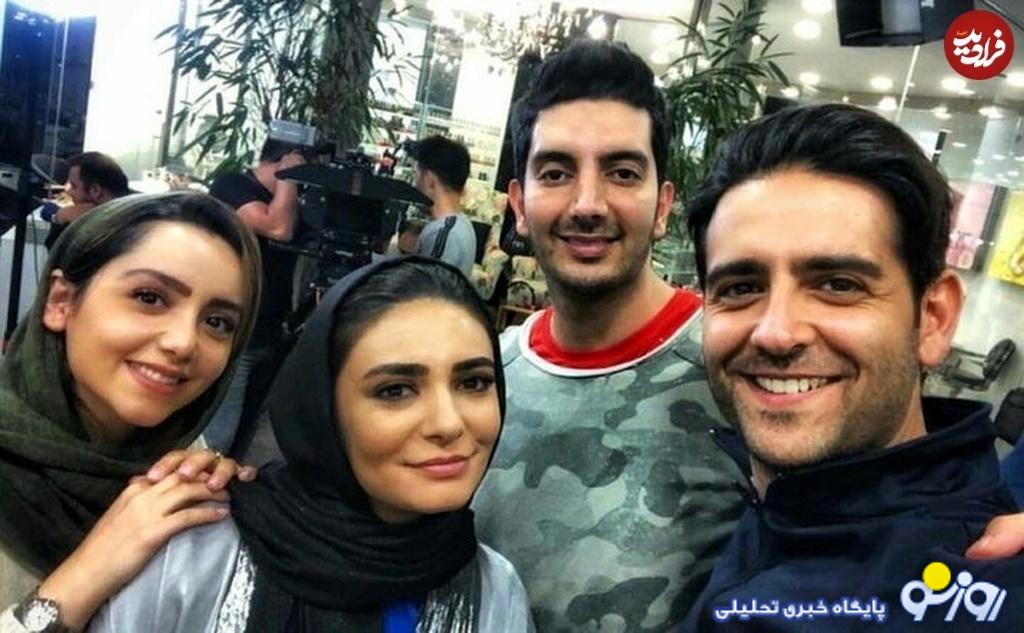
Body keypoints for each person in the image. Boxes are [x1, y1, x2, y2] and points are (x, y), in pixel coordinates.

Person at [682, 104, 1024, 631]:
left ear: (933, 319)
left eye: (838, 285)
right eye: (741, 287)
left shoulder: (985, 588)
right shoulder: (778, 507)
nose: (776, 332)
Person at [84, 257, 532, 632]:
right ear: (322, 409)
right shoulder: (193, 552)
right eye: (395, 390)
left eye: (474, 382)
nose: (448, 423)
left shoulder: (493, 590)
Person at [470, 40, 746, 631]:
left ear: (663, 205)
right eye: (556, 173)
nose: (588, 204)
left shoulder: (738, 371)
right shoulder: (480, 381)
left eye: (622, 173)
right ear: (519, 205)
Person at [0, 192, 262, 629]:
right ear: (61, 302)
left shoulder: (180, 466)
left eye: (217, 322)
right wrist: (88, 572)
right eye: (149, 297)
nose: (183, 342)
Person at [205, 139, 306, 454]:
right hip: (239, 333)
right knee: (217, 438)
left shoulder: (291, 203)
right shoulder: (232, 185)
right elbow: (277, 229)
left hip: (272, 335)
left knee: (247, 437)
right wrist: (290, 176)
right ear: (283, 160)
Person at [411, 135, 478, 276]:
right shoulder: (462, 223)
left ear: (429, 180)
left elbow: (425, 287)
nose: (414, 184)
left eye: (416, 175)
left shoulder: (444, 234)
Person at [44, 152, 130, 250]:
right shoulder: (133, 214)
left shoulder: (114, 237)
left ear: (95, 190)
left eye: (74, 186)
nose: (69, 192)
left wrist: (60, 218)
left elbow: (59, 257)